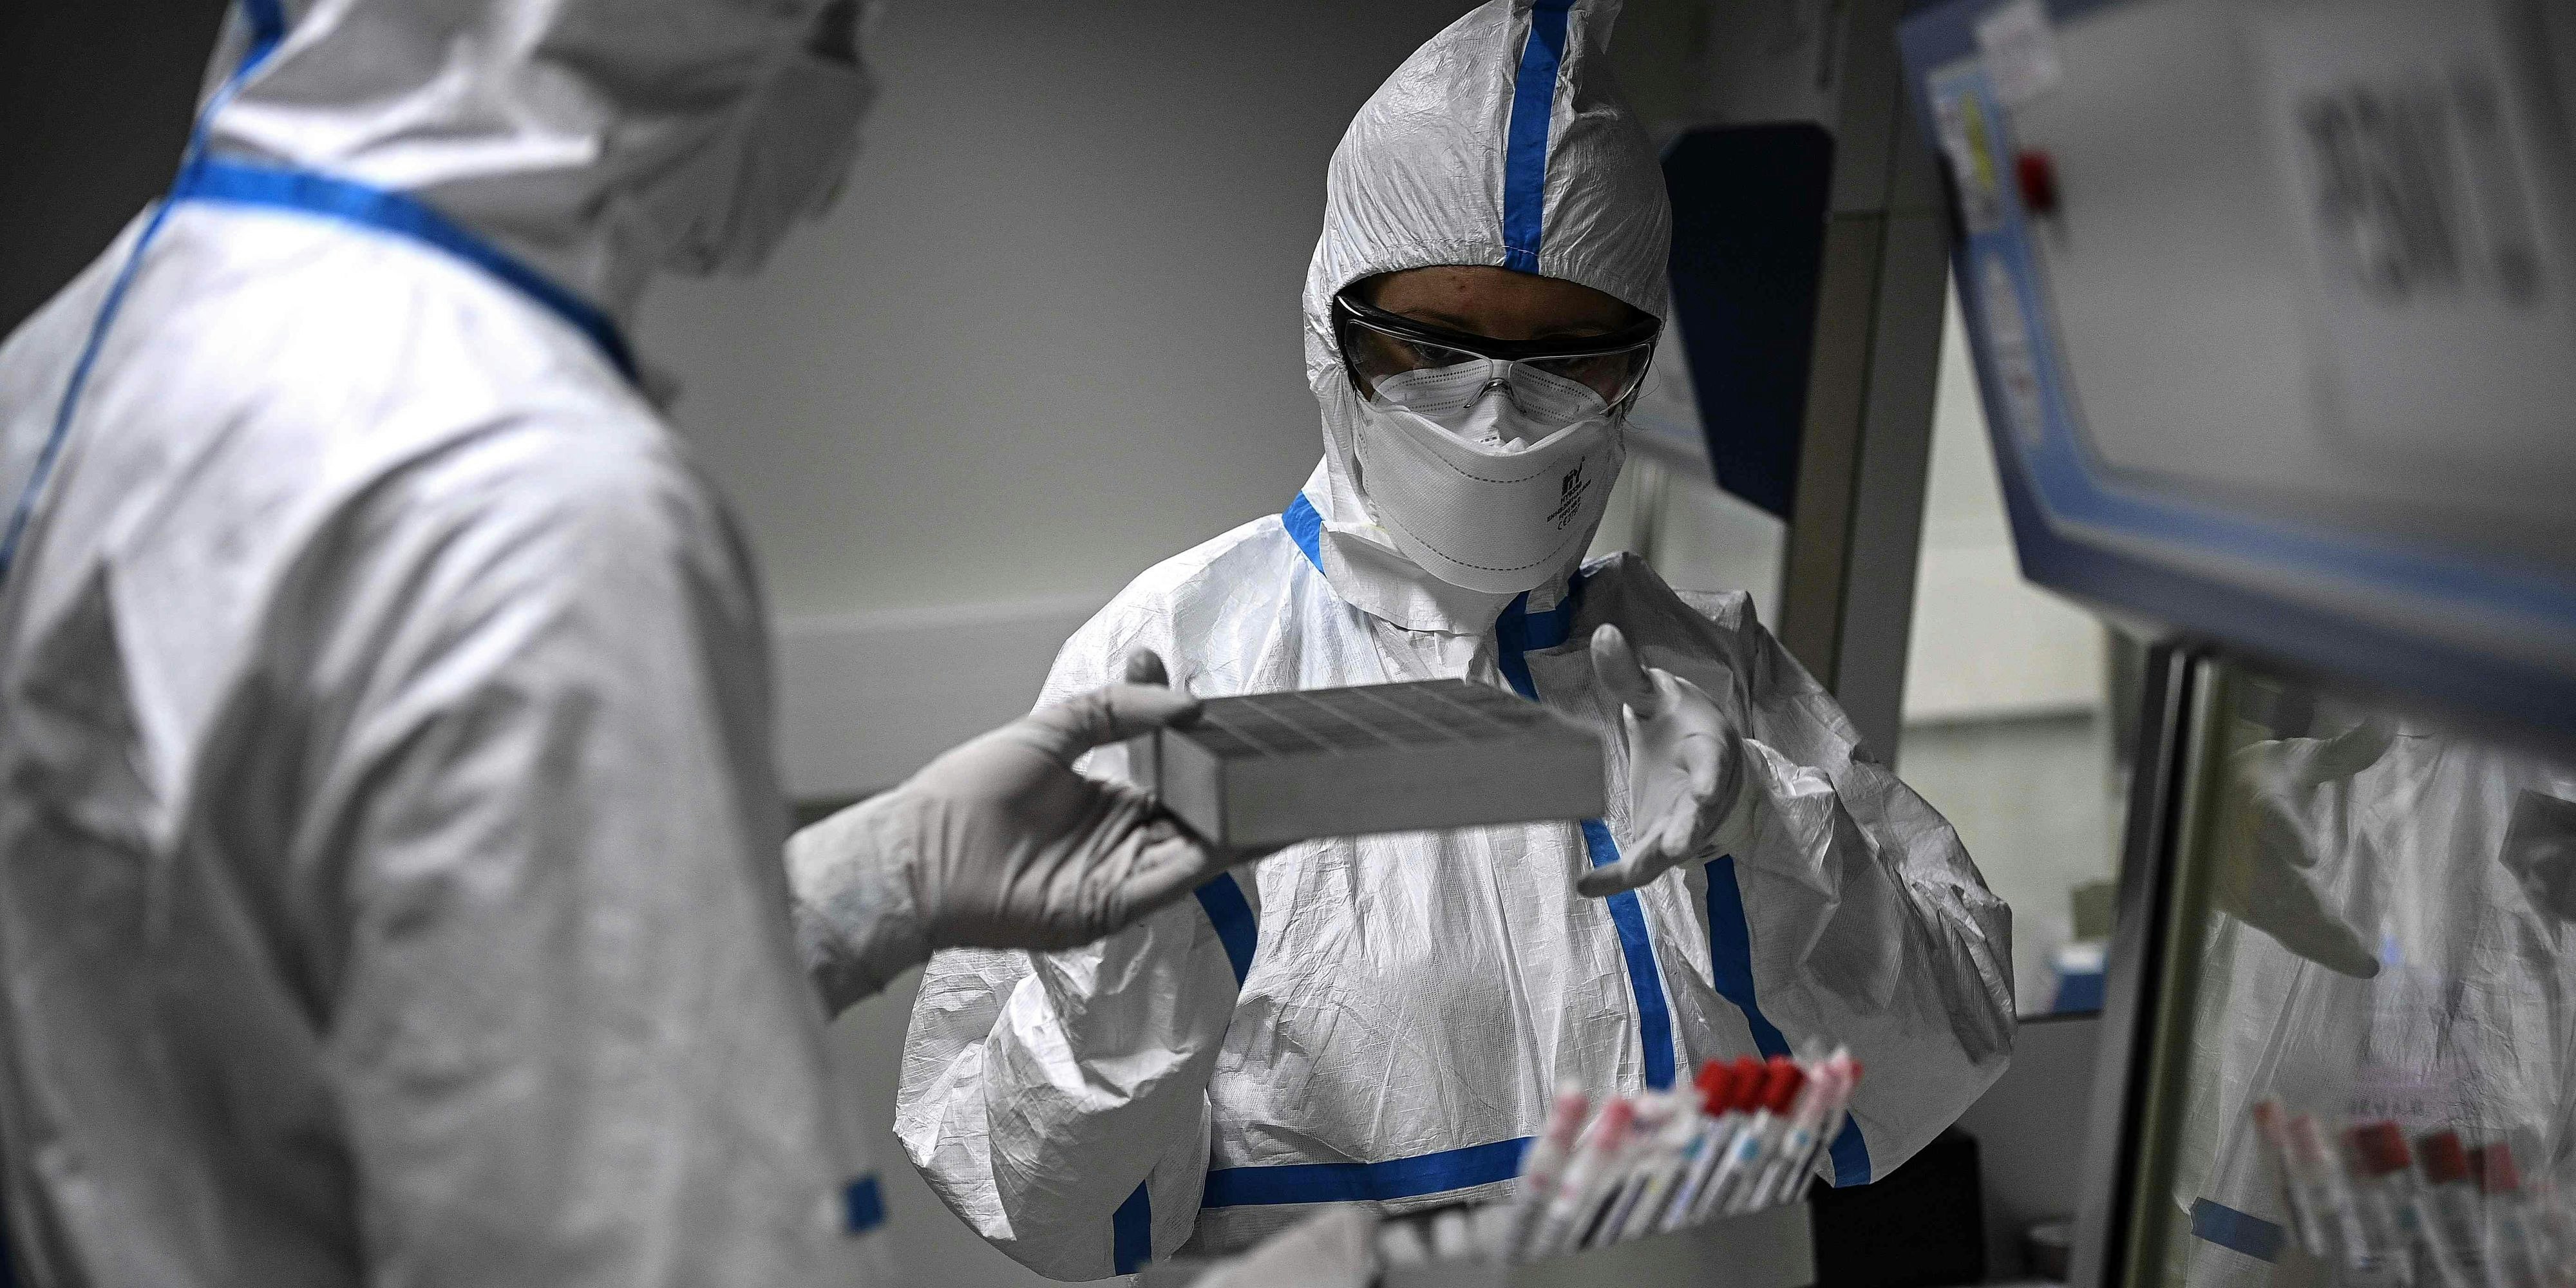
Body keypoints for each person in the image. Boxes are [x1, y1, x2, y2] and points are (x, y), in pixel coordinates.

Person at [0, 1, 1361, 1284]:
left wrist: (879, 872)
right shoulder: (523, 494)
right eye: (829, 20)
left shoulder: (74, 353)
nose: (853, 81)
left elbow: (304, 1003)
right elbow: (647, 1236)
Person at [882, 0, 2017, 1276]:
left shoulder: (1705, 671)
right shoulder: (1171, 664)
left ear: (1633, 360)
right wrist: (1141, 951)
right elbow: (1035, 1204)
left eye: (1560, 352)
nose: (1493, 411)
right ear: (1333, 326)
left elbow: (1951, 1041)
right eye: (1428, 343)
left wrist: (1771, 832)